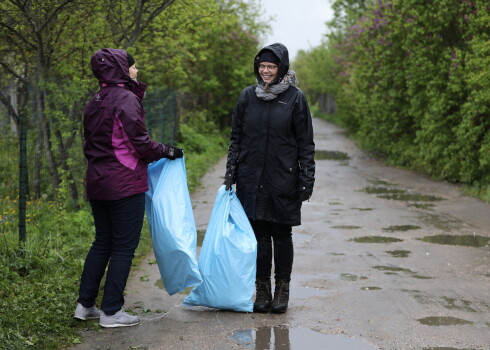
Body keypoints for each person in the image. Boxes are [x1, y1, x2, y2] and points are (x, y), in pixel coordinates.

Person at [74, 48, 183, 328]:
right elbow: (142, 144)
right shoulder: (126, 100)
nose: (136, 71)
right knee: (123, 247)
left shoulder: (94, 101)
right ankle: (111, 311)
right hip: (123, 183)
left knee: (102, 242)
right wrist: (168, 151)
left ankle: (85, 305)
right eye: (133, 67)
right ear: (121, 69)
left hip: (97, 181)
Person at [223, 43, 315, 313]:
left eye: (271, 66)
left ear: (281, 68)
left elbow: (305, 143)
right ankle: (261, 289)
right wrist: (231, 172)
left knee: (281, 234)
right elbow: (236, 138)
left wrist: (307, 177)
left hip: (283, 178)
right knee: (259, 235)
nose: (265, 71)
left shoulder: (295, 98)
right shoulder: (247, 97)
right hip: (251, 177)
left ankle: (282, 290)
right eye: (262, 66)